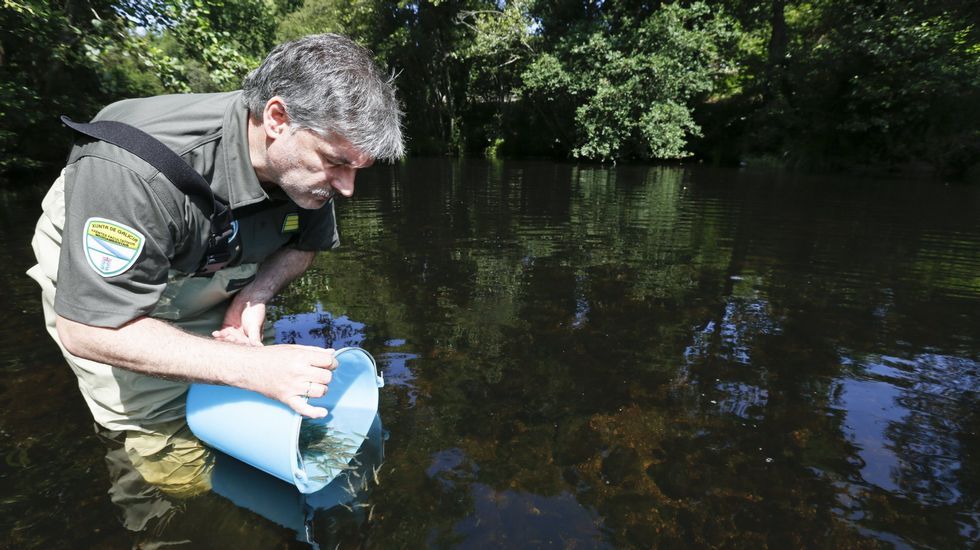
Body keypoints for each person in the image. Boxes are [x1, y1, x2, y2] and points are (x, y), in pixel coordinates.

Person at [26, 34, 404, 493]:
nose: (348, 189)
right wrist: (249, 368)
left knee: (250, 400)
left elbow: (303, 246)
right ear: (277, 118)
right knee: (178, 465)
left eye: (358, 169)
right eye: (336, 163)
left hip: (218, 253)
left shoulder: (307, 167)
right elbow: (91, 328)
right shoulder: (132, 168)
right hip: (116, 259)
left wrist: (256, 293)